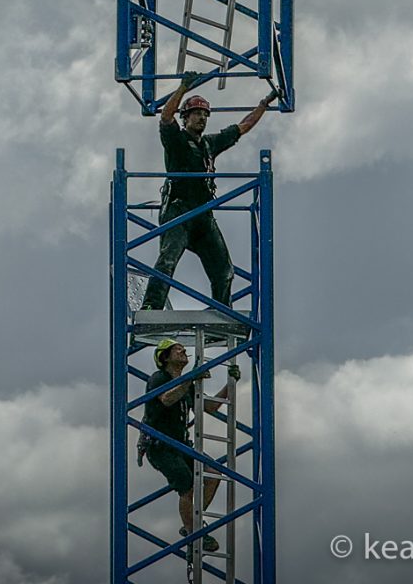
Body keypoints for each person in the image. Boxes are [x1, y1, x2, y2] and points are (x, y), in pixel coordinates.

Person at [140, 72, 277, 311]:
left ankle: (221, 312)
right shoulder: (176, 140)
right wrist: (183, 87)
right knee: (168, 260)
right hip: (179, 212)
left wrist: (263, 105)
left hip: (203, 215)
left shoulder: (209, 144)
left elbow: (242, 128)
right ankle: (152, 306)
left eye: (204, 115)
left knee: (224, 271)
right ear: (185, 118)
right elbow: (165, 116)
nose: (202, 118)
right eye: (196, 114)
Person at [142, 338, 241, 554]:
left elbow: (211, 406)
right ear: (165, 357)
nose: (183, 351)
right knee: (186, 485)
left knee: (213, 473)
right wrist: (190, 379)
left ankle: (192, 525)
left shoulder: (187, 384)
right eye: (177, 350)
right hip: (160, 445)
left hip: (179, 444)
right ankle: (193, 530)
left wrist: (230, 384)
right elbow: (167, 399)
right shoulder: (159, 378)